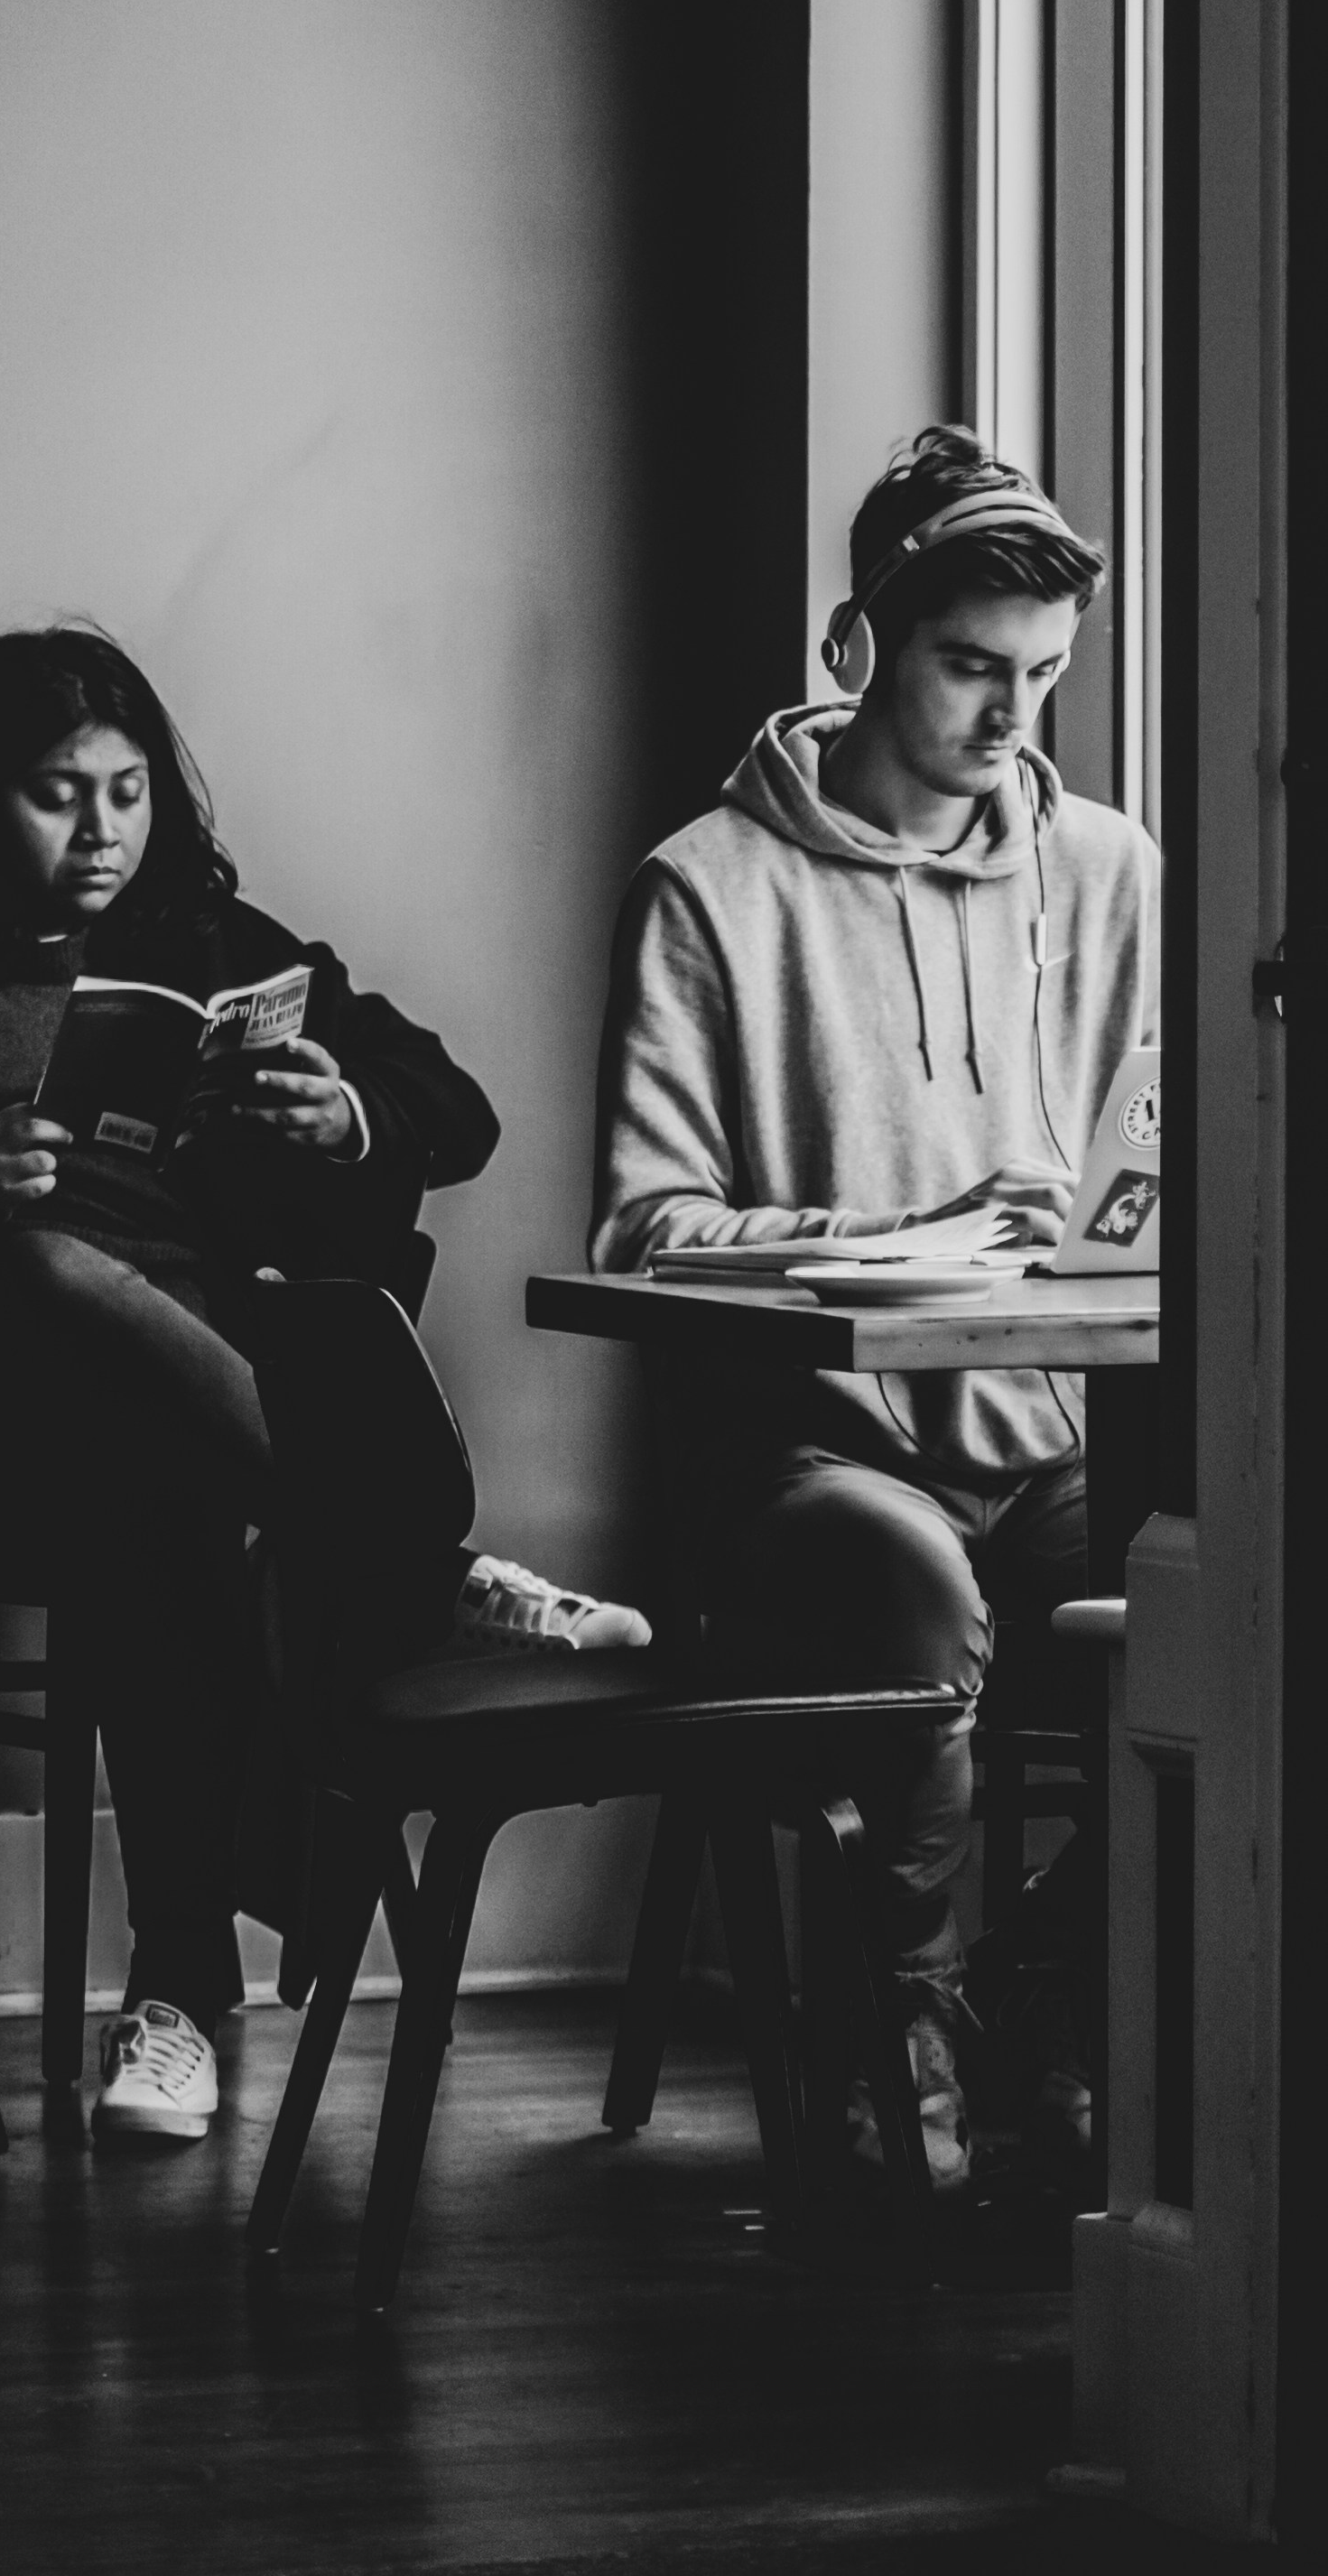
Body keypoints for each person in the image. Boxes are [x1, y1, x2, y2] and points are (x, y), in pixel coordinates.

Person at [0, 626, 646, 2149]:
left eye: (129, 791)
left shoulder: (213, 944)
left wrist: (342, 1109)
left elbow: (457, 1110)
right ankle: (407, 1558)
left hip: (163, 1435)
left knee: (147, 1502)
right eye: (55, 794)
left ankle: (178, 2000)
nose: (101, 833)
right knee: (40, 1275)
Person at [591, 427, 1156, 2192]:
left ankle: (1035, 1986)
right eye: (972, 669)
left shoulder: (1110, 873)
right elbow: (644, 1227)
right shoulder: (708, 889)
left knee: (1253, 1589)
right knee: (914, 1592)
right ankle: (893, 2060)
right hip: (801, 1470)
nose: (1013, 721)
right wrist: (902, 1228)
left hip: (1049, 1443)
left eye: (1044, 676)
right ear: (854, 650)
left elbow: (1158, 1172)